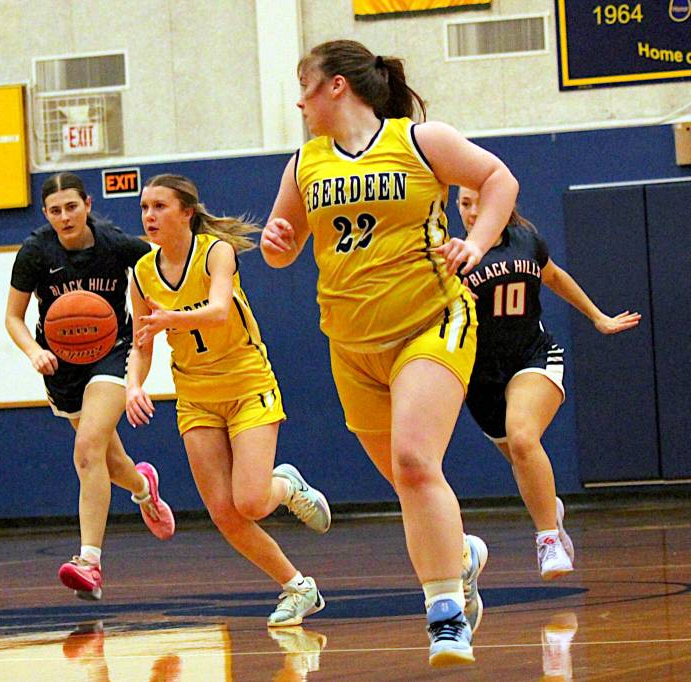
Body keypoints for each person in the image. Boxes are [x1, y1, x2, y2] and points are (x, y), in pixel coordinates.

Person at [261, 40, 520, 666]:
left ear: (337, 87)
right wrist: (275, 241)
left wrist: (478, 243)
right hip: (351, 343)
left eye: (305, 84)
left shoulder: (420, 139)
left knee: (412, 462)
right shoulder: (303, 164)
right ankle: (459, 554)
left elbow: (498, 178)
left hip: (431, 320)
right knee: (410, 482)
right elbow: (284, 248)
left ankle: (446, 615)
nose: (298, 99)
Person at [126, 174, 331, 627]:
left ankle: (289, 488)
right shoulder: (142, 273)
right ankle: (298, 587)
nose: (149, 216)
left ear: (186, 212)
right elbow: (142, 342)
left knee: (253, 502)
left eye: (159, 206)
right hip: (195, 397)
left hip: (245, 383)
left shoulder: (216, 252)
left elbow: (219, 311)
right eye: (144, 208)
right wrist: (134, 385)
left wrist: (170, 319)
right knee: (224, 512)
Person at [5, 172, 175, 602]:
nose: (65, 217)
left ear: (88, 204)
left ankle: (90, 563)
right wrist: (32, 351)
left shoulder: (117, 245)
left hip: (112, 352)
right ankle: (142, 488)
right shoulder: (34, 253)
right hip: (60, 364)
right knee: (110, 463)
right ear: (46, 214)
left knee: (86, 451)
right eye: (55, 210)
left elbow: (164, 266)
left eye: (72, 207)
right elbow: (12, 317)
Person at [456, 188, 640, 579]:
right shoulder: (450, 256)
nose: (472, 212)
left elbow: (554, 276)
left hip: (533, 356)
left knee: (522, 437)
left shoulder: (527, 240)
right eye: (464, 204)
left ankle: (548, 540)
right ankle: (549, 508)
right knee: (521, 460)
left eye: (479, 202)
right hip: (480, 376)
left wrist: (598, 316)